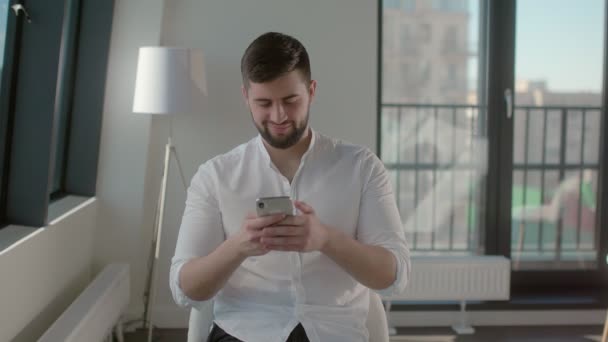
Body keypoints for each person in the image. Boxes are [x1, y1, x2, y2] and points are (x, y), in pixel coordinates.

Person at [170, 32, 410, 342]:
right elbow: (184, 290)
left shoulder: (362, 167)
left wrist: (326, 239)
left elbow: (395, 277)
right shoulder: (215, 176)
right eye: (264, 103)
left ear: (311, 91)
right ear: (246, 97)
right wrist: (238, 246)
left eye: (290, 100)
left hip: (336, 332)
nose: (278, 116)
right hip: (246, 332)